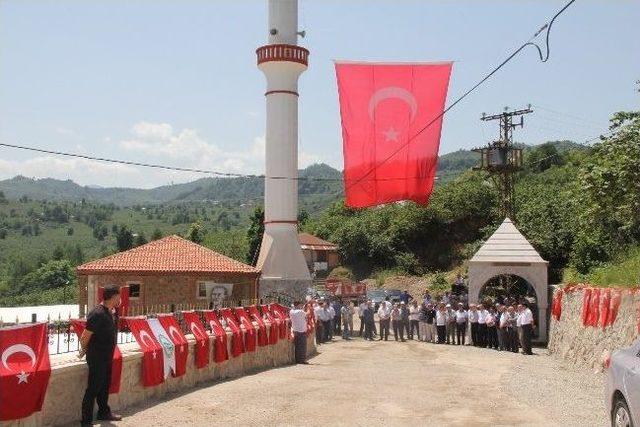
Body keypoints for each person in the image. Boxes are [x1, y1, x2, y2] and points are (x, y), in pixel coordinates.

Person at [80, 285, 123, 426]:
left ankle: (103, 412)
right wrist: (84, 350)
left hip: (107, 356)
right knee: (93, 388)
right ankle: (86, 421)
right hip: (97, 358)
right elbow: (85, 337)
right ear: (113, 297)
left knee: (104, 386)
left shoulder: (111, 311)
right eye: (119, 296)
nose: (120, 299)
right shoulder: (97, 314)